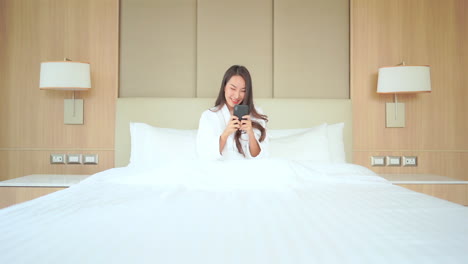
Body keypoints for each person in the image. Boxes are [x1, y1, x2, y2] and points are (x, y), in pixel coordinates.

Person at [196, 65, 268, 160]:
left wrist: (250, 132)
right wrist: (226, 133)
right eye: (233, 89)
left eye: (243, 91)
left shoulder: (256, 114)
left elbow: (260, 157)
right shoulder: (209, 116)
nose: (237, 96)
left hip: (248, 170)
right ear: (224, 87)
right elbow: (204, 154)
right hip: (220, 170)